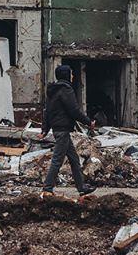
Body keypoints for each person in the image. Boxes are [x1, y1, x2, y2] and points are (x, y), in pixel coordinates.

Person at [39, 64, 96, 198]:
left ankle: (82, 187)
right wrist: (88, 122)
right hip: (63, 130)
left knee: (74, 159)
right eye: (70, 73)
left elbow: (47, 112)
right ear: (66, 75)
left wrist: (45, 130)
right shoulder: (66, 90)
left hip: (58, 129)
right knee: (57, 160)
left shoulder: (52, 91)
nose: (72, 76)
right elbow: (74, 110)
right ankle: (47, 188)